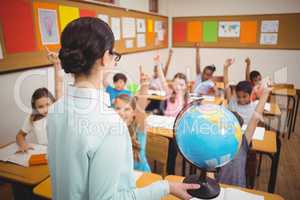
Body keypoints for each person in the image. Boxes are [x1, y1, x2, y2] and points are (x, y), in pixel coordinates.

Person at [47, 17, 199, 200]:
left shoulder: (55, 110)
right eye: (113, 54)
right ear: (105, 57)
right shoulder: (110, 124)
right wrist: (165, 187)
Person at [15, 49, 63, 151]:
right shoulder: (32, 117)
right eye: (40, 107)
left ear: (53, 102)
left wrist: (57, 63)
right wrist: (23, 145)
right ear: (35, 107)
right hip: (43, 154)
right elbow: (19, 135)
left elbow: (58, 85)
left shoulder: (57, 110)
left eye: (48, 104)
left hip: (59, 152)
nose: (45, 109)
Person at [114, 67, 151, 172]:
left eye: (127, 109)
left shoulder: (138, 128)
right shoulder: (112, 128)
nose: (121, 112)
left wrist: (144, 86)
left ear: (133, 113)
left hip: (141, 175)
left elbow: (140, 110)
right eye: (117, 108)